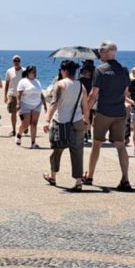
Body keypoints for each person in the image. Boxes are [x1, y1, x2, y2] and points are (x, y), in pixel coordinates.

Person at [84, 41, 132, 191]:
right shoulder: (124, 70)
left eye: (100, 52)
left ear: (106, 52)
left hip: (104, 112)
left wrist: (85, 112)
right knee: (120, 145)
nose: (99, 55)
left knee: (96, 144)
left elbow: (93, 95)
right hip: (120, 113)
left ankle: (90, 176)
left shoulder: (100, 70)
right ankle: (125, 179)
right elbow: (126, 92)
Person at [42, 60, 90, 190]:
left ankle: (53, 176)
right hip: (78, 121)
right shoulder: (81, 86)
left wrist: (47, 120)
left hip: (61, 122)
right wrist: (87, 122)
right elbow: (85, 107)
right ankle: (78, 182)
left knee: (57, 150)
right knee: (77, 152)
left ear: (65, 71)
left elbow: (54, 104)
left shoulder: (60, 85)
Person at [16, 65, 46, 148]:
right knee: (26, 124)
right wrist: (18, 103)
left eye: (35, 72)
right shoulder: (23, 81)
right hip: (25, 104)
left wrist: (45, 104)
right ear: (28, 73)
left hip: (37, 104)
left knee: (34, 123)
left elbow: (40, 93)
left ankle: (33, 143)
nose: (35, 73)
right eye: (33, 72)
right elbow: (19, 94)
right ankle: (19, 134)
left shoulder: (37, 82)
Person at [4, 55, 24, 136]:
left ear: (20, 61)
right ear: (13, 62)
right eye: (15, 61)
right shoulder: (9, 71)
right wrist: (5, 95)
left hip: (23, 95)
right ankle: (14, 130)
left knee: (23, 113)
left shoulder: (24, 71)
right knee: (13, 113)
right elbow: (7, 83)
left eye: (18, 61)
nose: (16, 62)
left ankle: (24, 126)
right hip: (12, 94)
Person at [79, 62, 95, 143]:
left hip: (91, 102)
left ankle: (88, 132)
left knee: (89, 118)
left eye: (86, 70)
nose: (84, 71)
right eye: (84, 70)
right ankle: (85, 134)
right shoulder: (80, 80)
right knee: (84, 118)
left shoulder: (93, 81)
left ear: (90, 72)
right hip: (82, 101)